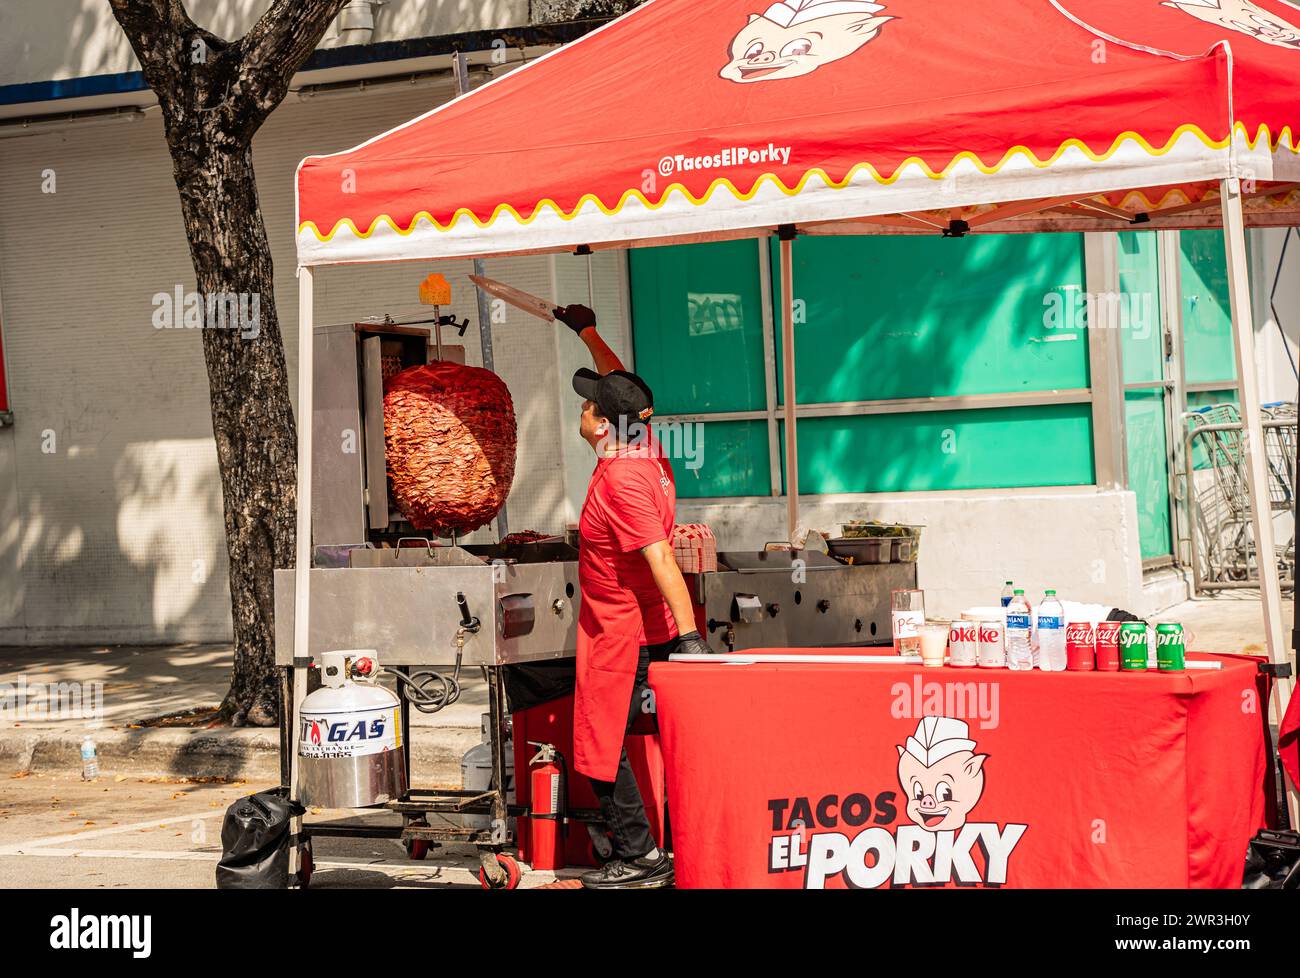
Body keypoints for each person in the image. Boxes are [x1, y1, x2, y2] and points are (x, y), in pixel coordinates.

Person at [553, 302, 711, 890]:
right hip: (630, 624)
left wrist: (690, 636)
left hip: (622, 631)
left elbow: (661, 557)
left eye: (588, 404)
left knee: (599, 743)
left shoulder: (623, 478)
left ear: (601, 424)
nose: (584, 406)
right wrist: (586, 332)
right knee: (614, 739)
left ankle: (640, 856)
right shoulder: (641, 442)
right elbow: (622, 383)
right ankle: (654, 846)